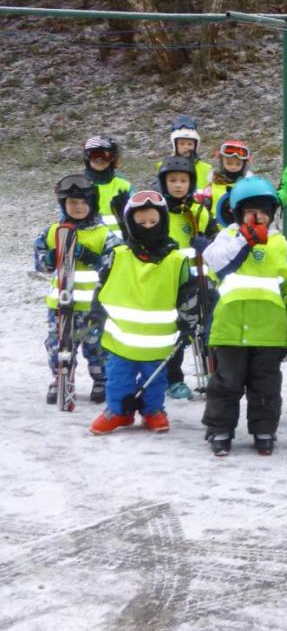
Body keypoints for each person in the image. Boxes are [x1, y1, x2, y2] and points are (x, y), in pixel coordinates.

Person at [199, 176, 287, 457]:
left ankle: (264, 429)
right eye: (250, 211)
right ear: (238, 213)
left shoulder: (281, 244)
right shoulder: (227, 238)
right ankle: (220, 429)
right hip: (230, 327)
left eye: (263, 211)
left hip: (269, 329)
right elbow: (216, 264)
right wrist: (244, 242)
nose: (258, 217)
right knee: (226, 382)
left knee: (266, 384)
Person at [86, 190, 196, 435]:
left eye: (153, 222)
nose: (148, 227)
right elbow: (101, 286)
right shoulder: (118, 255)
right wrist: (96, 313)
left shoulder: (177, 259)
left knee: (155, 379)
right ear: (130, 224)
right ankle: (118, 412)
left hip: (158, 341)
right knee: (118, 377)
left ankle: (153, 411)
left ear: (164, 222)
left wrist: (190, 321)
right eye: (141, 223)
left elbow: (187, 294)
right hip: (121, 337)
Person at [35, 174, 119, 405]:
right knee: (58, 344)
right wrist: (50, 258)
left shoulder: (103, 234)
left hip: (93, 306)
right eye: (72, 203)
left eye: (83, 203)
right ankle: (61, 377)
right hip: (61, 305)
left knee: (97, 347)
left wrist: (92, 258)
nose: (78, 207)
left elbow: (117, 263)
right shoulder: (52, 232)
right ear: (64, 205)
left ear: (91, 204)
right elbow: (39, 262)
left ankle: (101, 380)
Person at [157, 155, 219, 401]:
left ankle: (213, 372)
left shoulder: (199, 211)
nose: (178, 185)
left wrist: (206, 243)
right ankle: (173, 379)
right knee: (178, 331)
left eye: (183, 180)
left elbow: (216, 241)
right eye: (173, 180)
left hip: (202, 280)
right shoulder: (160, 212)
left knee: (209, 330)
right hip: (173, 283)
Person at [80, 135, 132, 237]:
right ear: (87, 158)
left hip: (122, 244)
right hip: (91, 244)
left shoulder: (123, 185)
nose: (100, 160)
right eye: (95, 155)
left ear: (113, 158)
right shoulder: (78, 185)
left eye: (105, 155)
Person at [160, 115, 212, 190]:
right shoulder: (164, 167)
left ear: (196, 145)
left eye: (190, 144)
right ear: (175, 145)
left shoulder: (206, 168)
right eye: (182, 143)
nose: (186, 147)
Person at [202, 140, 251, 212]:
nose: (233, 167)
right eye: (229, 163)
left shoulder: (248, 186)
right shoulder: (212, 186)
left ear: (244, 166)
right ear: (222, 163)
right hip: (214, 222)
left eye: (238, 164)